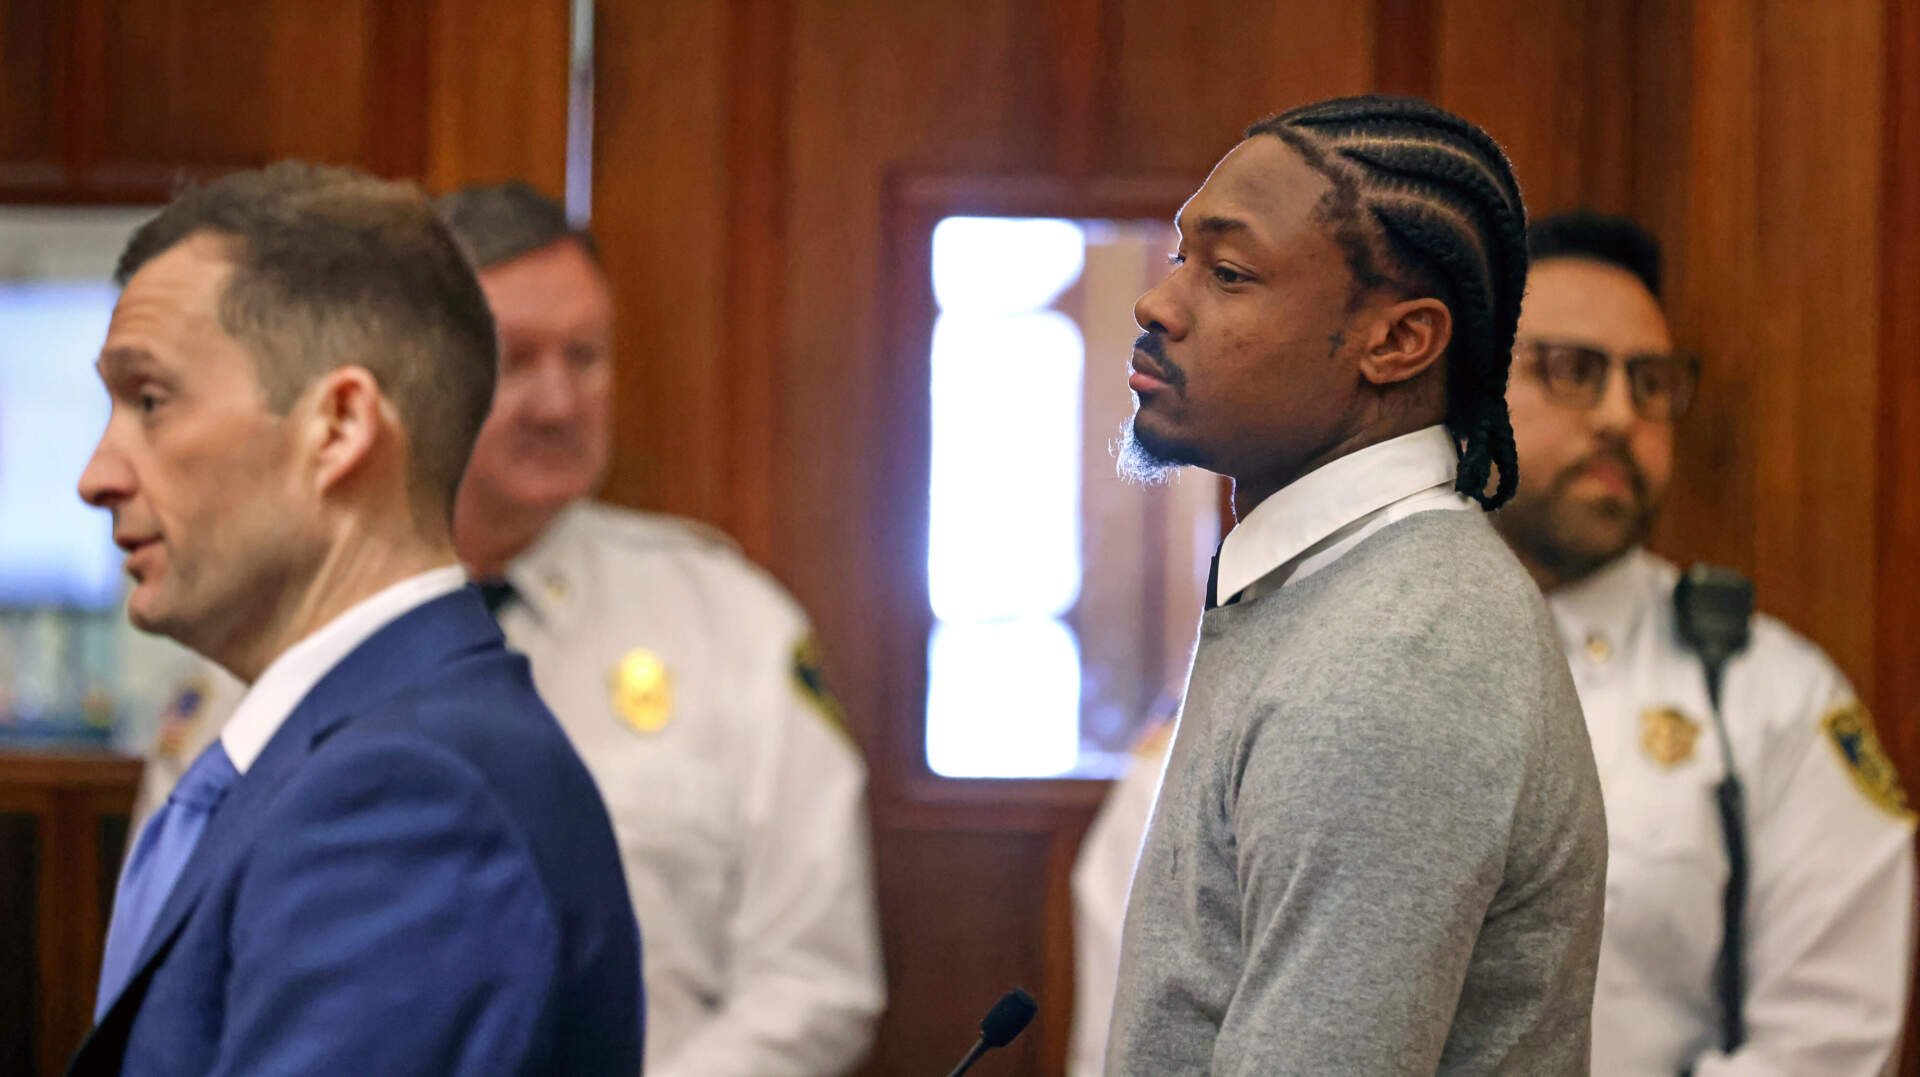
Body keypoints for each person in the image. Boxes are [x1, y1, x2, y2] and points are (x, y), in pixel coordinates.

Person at [131, 181, 885, 1076]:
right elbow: (167, 969)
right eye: (515, 358)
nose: (559, 402)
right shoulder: (265, 637)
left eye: (586, 355)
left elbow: (814, 979)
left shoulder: (728, 626)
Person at [69, 164, 640, 1074]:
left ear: (337, 427)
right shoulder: (353, 744)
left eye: (150, 402)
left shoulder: (405, 793)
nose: (98, 474)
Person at [1101, 94, 1607, 1074]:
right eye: (1180, 258)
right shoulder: (1340, 586)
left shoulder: (1400, 660)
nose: (1160, 305)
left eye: (1230, 272)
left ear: (1398, 343)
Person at [1494, 209, 1916, 1074]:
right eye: (1574, 371)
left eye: (1650, 383)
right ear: (1469, 386)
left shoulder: (1773, 696)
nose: (1619, 414)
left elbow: (1824, 1039)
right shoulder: (1328, 649)